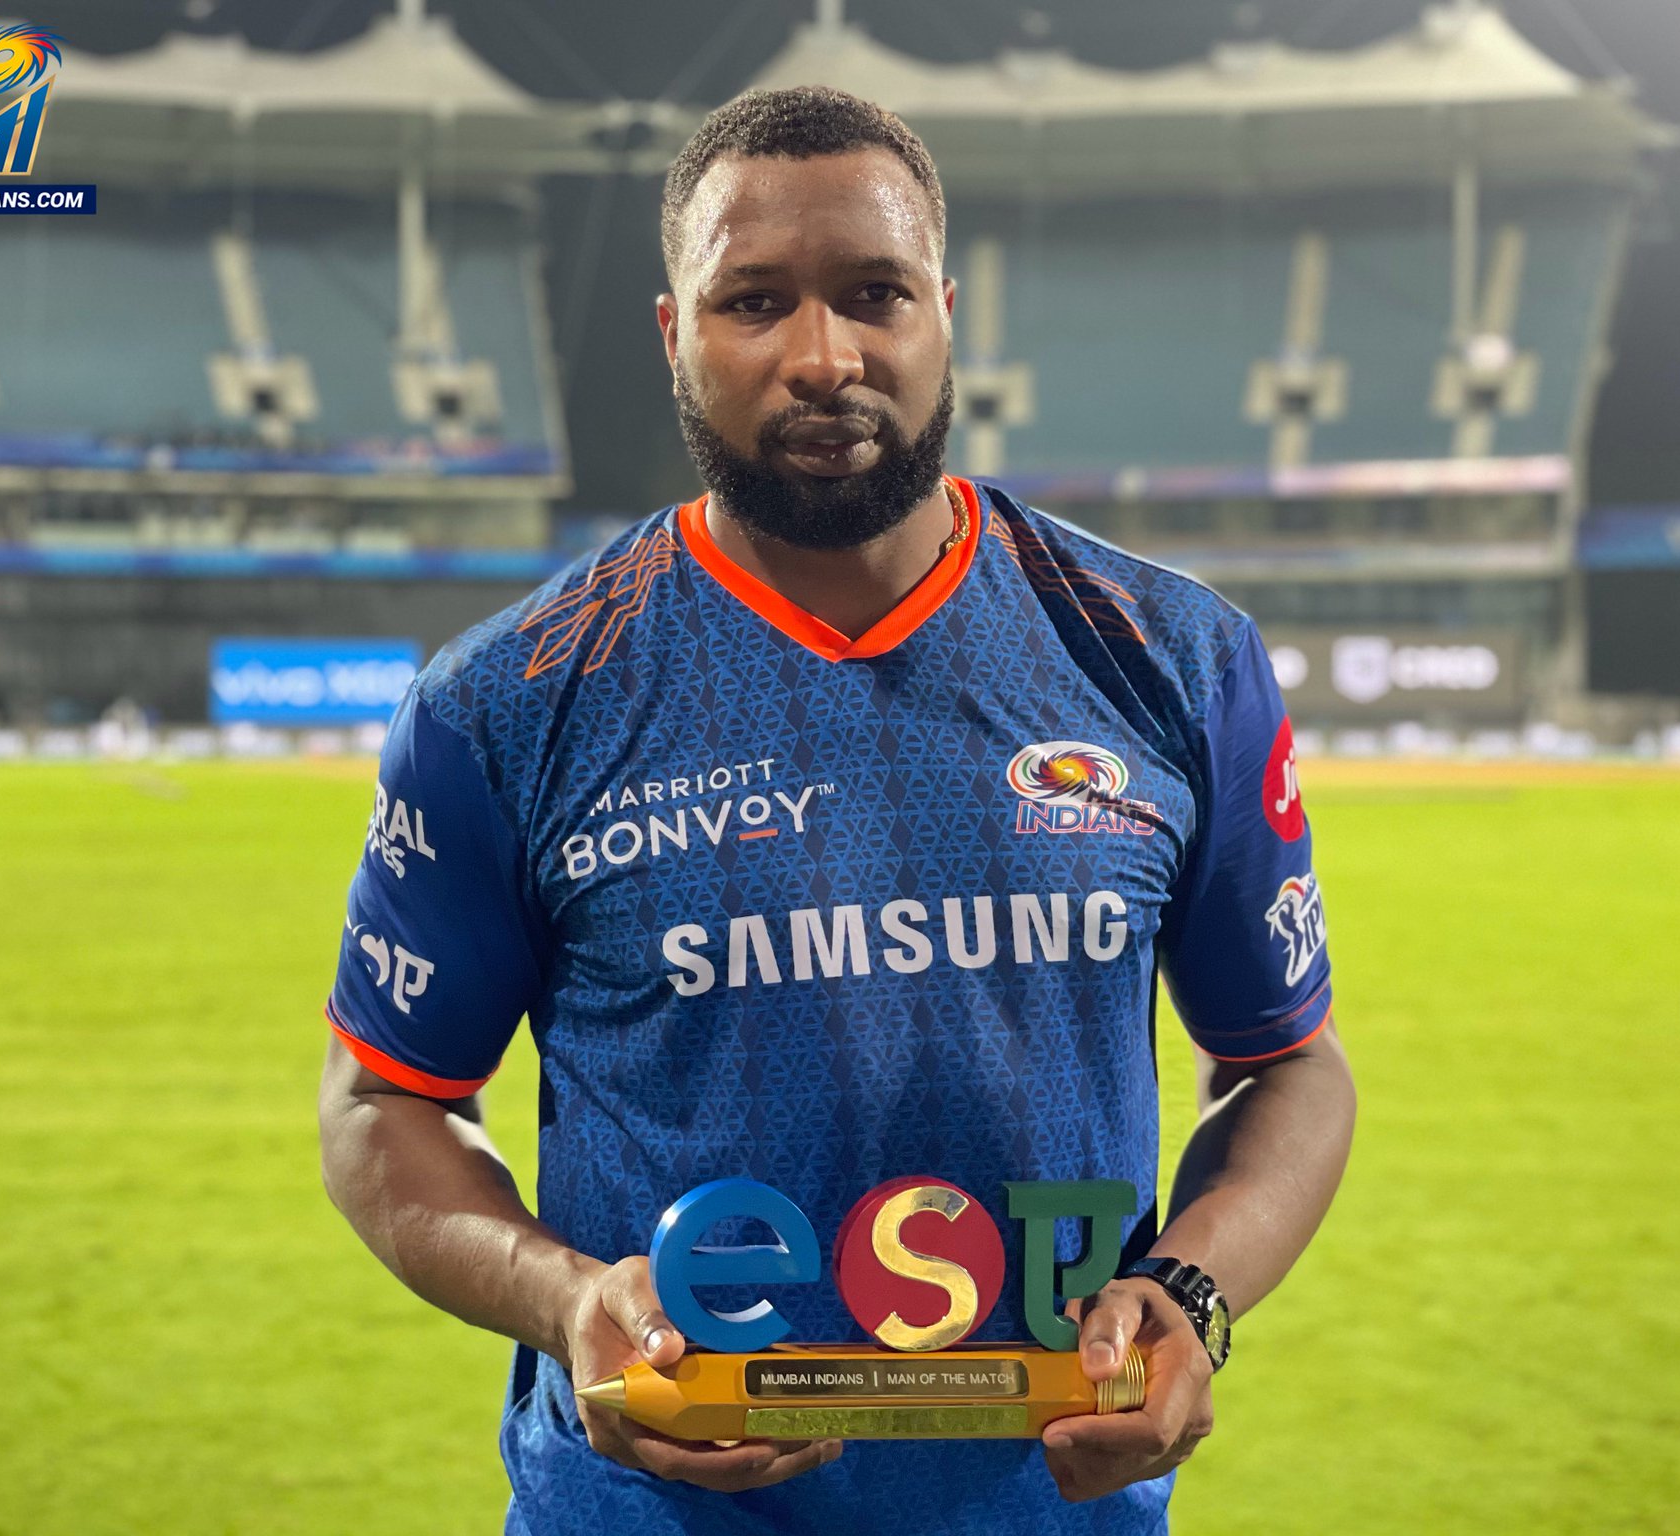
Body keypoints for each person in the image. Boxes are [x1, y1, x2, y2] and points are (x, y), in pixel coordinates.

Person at [318, 85, 1356, 1535]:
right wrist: (564, 1301)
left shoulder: (1168, 656)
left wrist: (1193, 1291)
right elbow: (384, 1103)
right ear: (675, 336)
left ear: (945, 313)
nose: (822, 357)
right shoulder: (508, 701)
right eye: (753, 302)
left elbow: (1287, 1066)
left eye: (874, 293)